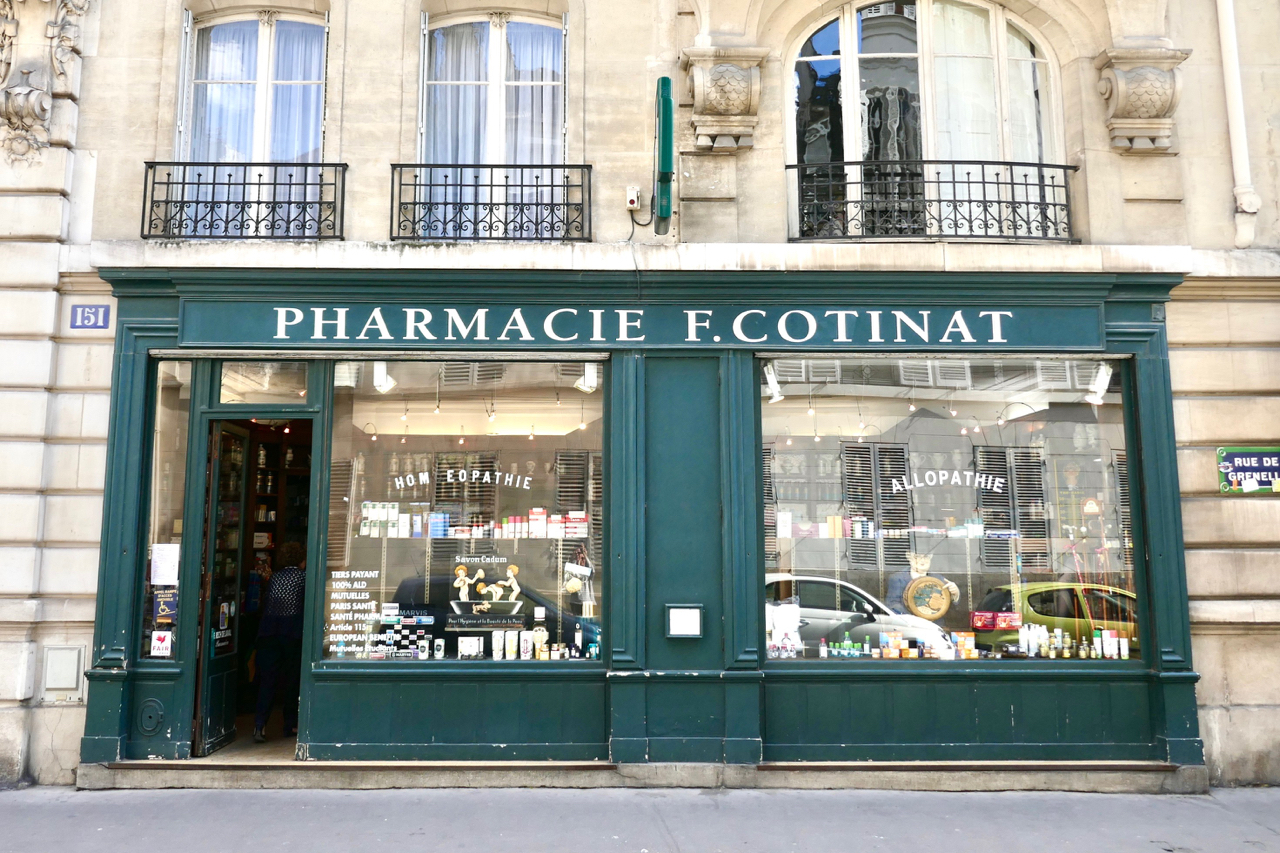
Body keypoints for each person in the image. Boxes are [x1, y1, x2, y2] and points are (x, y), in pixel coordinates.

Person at [253, 541, 306, 743]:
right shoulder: (303, 578)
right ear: (302, 560)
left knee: (267, 681)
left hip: (268, 634)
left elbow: (267, 603)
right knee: (292, 680)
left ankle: (260, 724)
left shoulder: (275, 577)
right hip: (292, 633)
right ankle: (290, 724)